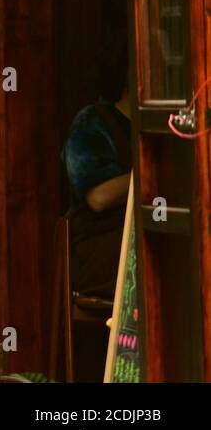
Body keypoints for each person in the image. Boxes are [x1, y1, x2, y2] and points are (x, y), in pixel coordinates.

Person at [60, 41, 132, 298]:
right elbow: (98, 197)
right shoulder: (93, 121)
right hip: (99, 251)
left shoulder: (162, 124)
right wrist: (155, 175)